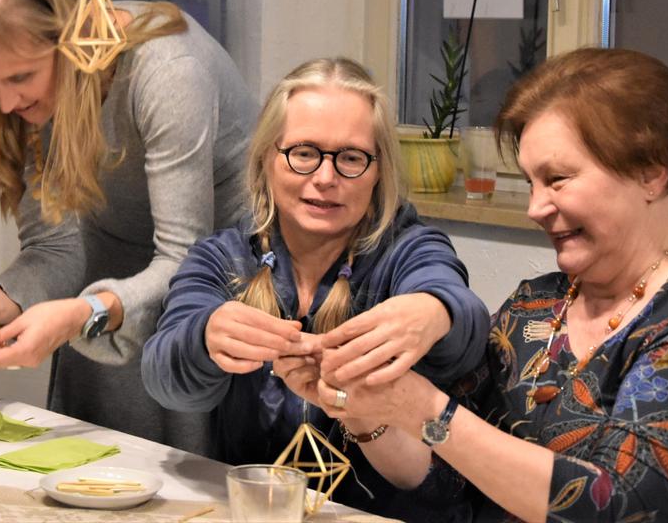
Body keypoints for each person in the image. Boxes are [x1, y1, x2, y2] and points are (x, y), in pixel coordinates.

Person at [318, 48, 668, 522]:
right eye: (530, 182)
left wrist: (424, 408)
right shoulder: (534, 306)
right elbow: (444, 476)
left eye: (557, 179)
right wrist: (361, 407)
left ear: (651, 170)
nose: (535, 207)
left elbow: (626, 504)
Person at [0, 0, 255, 454]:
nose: (8, 103)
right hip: (107, 295)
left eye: (19, 78)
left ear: (70, 41)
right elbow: (57, 247)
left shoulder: (167, 70)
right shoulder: (25, 100)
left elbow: (185, 263)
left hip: (216, 295)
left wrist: (82, 314)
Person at [141, 57, 490, 520]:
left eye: (350, 158)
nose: (325, 178)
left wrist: (435, 310)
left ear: (378, 171)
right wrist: (204, 337)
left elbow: (465, 321)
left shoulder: (406, 249)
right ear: (268, 157)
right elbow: (164, 378)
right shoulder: (224, 257)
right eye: (304, 152)